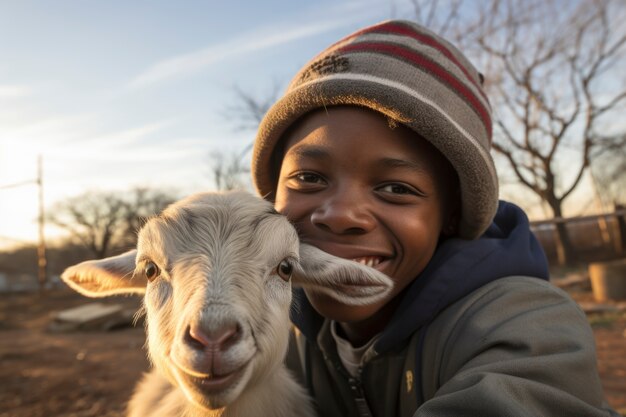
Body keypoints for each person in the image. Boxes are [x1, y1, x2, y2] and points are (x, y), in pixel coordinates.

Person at [250, 20, 619, 417]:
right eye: (308, 178)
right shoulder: (272, 325)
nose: (340, 215)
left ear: (452, 214)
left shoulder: (526, 326)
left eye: (396, 188)